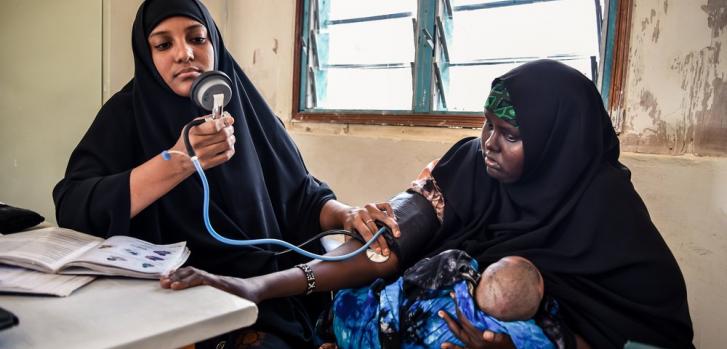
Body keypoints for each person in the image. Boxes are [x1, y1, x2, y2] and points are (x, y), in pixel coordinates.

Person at [162, 59, 694, 349]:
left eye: (508, 132)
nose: (487, 141)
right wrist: (256, 286)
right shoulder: (468, 168)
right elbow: (383, 246)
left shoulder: (610, 220)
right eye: (484, 123)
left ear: (561, 142)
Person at [52, 0, 398, 347]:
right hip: (176, 298)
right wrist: (177, 161)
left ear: (214, 43)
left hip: (270, 293)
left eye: (197, 39)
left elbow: (304, 198)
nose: (184, 53)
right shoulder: (124, 115)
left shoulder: (251, 111)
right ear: (147, 55)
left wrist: (348, 214)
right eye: (163, 44)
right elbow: (75, 208)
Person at [327, 250, 552, 349]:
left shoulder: (457, 272)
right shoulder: (518, 335)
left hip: (354, 326)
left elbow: (413, 276)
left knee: (350, 296)